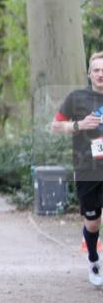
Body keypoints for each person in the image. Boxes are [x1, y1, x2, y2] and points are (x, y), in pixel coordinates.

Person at [50, 50, 103, 288]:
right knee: (93, 223)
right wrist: (78, 125)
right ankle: (93, 259)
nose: (101, 75)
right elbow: (55, 126)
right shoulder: (77, 98)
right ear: (89, 74)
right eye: (97, 70)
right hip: (88, 169)